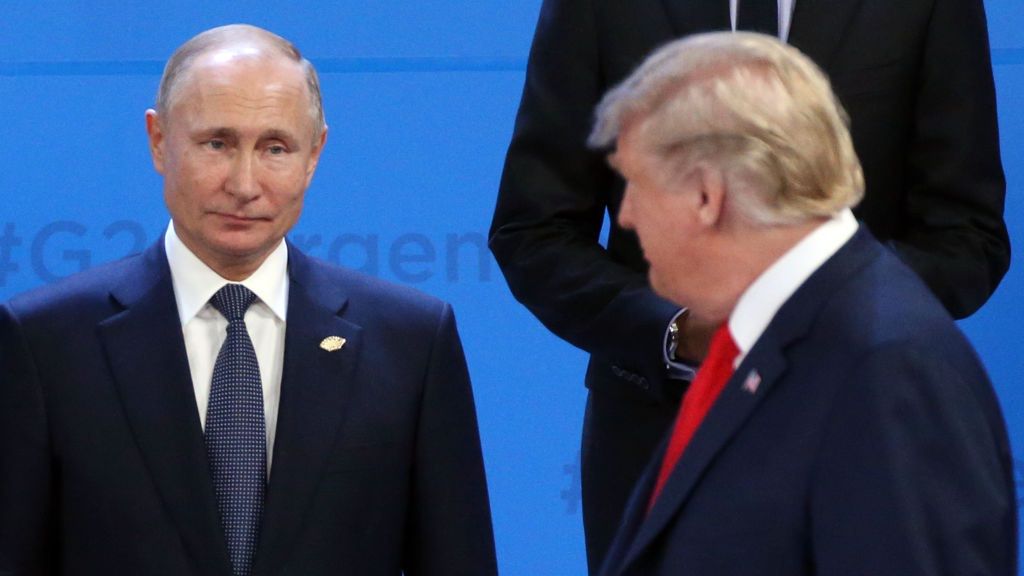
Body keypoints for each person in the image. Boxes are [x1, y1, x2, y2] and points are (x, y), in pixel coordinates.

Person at [489, 0, 1010, 569]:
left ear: (709, 196)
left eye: (636, 184)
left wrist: (806, 323)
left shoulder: (894, 371)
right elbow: (534, 229)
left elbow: (966, 239)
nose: (628, 216)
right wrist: (685, 333)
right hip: (654, 421)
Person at [0, 24, 496, 576]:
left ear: (314, 155)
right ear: (159, 141)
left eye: (275, 148)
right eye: (217, 143)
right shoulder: (45, 342)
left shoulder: (411, 342)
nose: (244, 183)